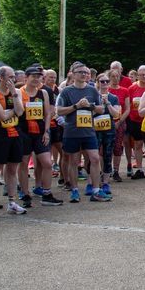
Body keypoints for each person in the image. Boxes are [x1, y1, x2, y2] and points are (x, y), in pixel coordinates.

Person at [57, 63, 112, 202]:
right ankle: (74, 190)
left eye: (85, 72)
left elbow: (101, 109)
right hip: (72, 131)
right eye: (80, 72)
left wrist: (90, 106)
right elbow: (59, 111)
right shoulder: (66, 91)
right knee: (74, 161)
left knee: (94, 158)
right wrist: (76, 106)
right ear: (73, 74)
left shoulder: (93, 90)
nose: (83, 74)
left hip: (89, 130)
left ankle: (96, 190)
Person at [0, 66, 27, 218]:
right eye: (10, 77)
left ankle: (12, 202)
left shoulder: (17, 92)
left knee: (12, 169)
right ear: (2, 78)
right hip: (0, 135)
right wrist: (10, 112)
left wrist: (14, 94)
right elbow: (3, 116)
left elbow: (20, 112)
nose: (14, 79)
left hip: (16, 135)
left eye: (14, 76)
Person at [20, 65, 62, 207]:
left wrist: (46, 131)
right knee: (24, 164)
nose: (36, 79)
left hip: (39, 132)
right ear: (26, 78)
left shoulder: (43, 93)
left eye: (38, 77)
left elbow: (47, 113)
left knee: (47, 163)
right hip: (24, 133)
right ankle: (25, 194)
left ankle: (46, 193)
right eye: (34, 77)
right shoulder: (19, 93)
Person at [93, 73, 122, 198]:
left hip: (109, 129)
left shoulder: (113, 97)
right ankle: (92, 182)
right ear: (97, 82)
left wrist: (108, 103)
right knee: (93, 155)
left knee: (107, 154)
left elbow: (116, 115)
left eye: (106, 81)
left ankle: (105, 182)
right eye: (101, 81)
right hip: (95, 129)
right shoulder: (92, 95)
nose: (104, 84)